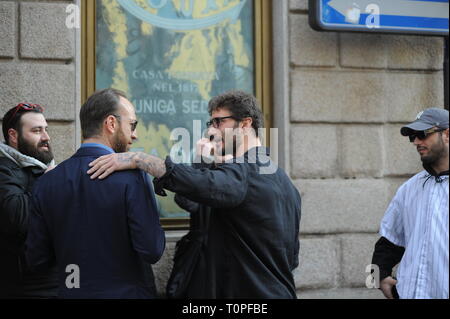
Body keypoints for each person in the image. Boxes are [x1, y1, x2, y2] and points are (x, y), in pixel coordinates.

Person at [88, 90, 302, 298]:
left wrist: (139, 159)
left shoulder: (245, 171)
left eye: (219, 122)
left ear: (245, 124)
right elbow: (292, 259)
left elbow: (206, 185)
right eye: (210, 123)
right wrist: (204, 162)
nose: (212, 131)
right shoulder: (283, 182)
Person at [25, 88, 165, 298]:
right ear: (111, 124)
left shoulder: (47, 183)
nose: (134, 134)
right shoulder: (133, 177)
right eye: (132, 125)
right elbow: (152, 250)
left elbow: (37, 259)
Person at [372, 107, 449, 299]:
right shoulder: (409, 188)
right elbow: (388, 240)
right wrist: (375, 279)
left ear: (447, 134)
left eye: (422, 134)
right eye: (412, 136)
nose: (416, 141)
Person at [0, 103, 58, 298]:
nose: (46, 137)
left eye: (46, 130)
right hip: (25, 287)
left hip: (59, 280)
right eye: (37, 130)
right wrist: (47, 182)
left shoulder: (45, 168)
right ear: (14, 136)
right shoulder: (4, 169)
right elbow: (18, 217)